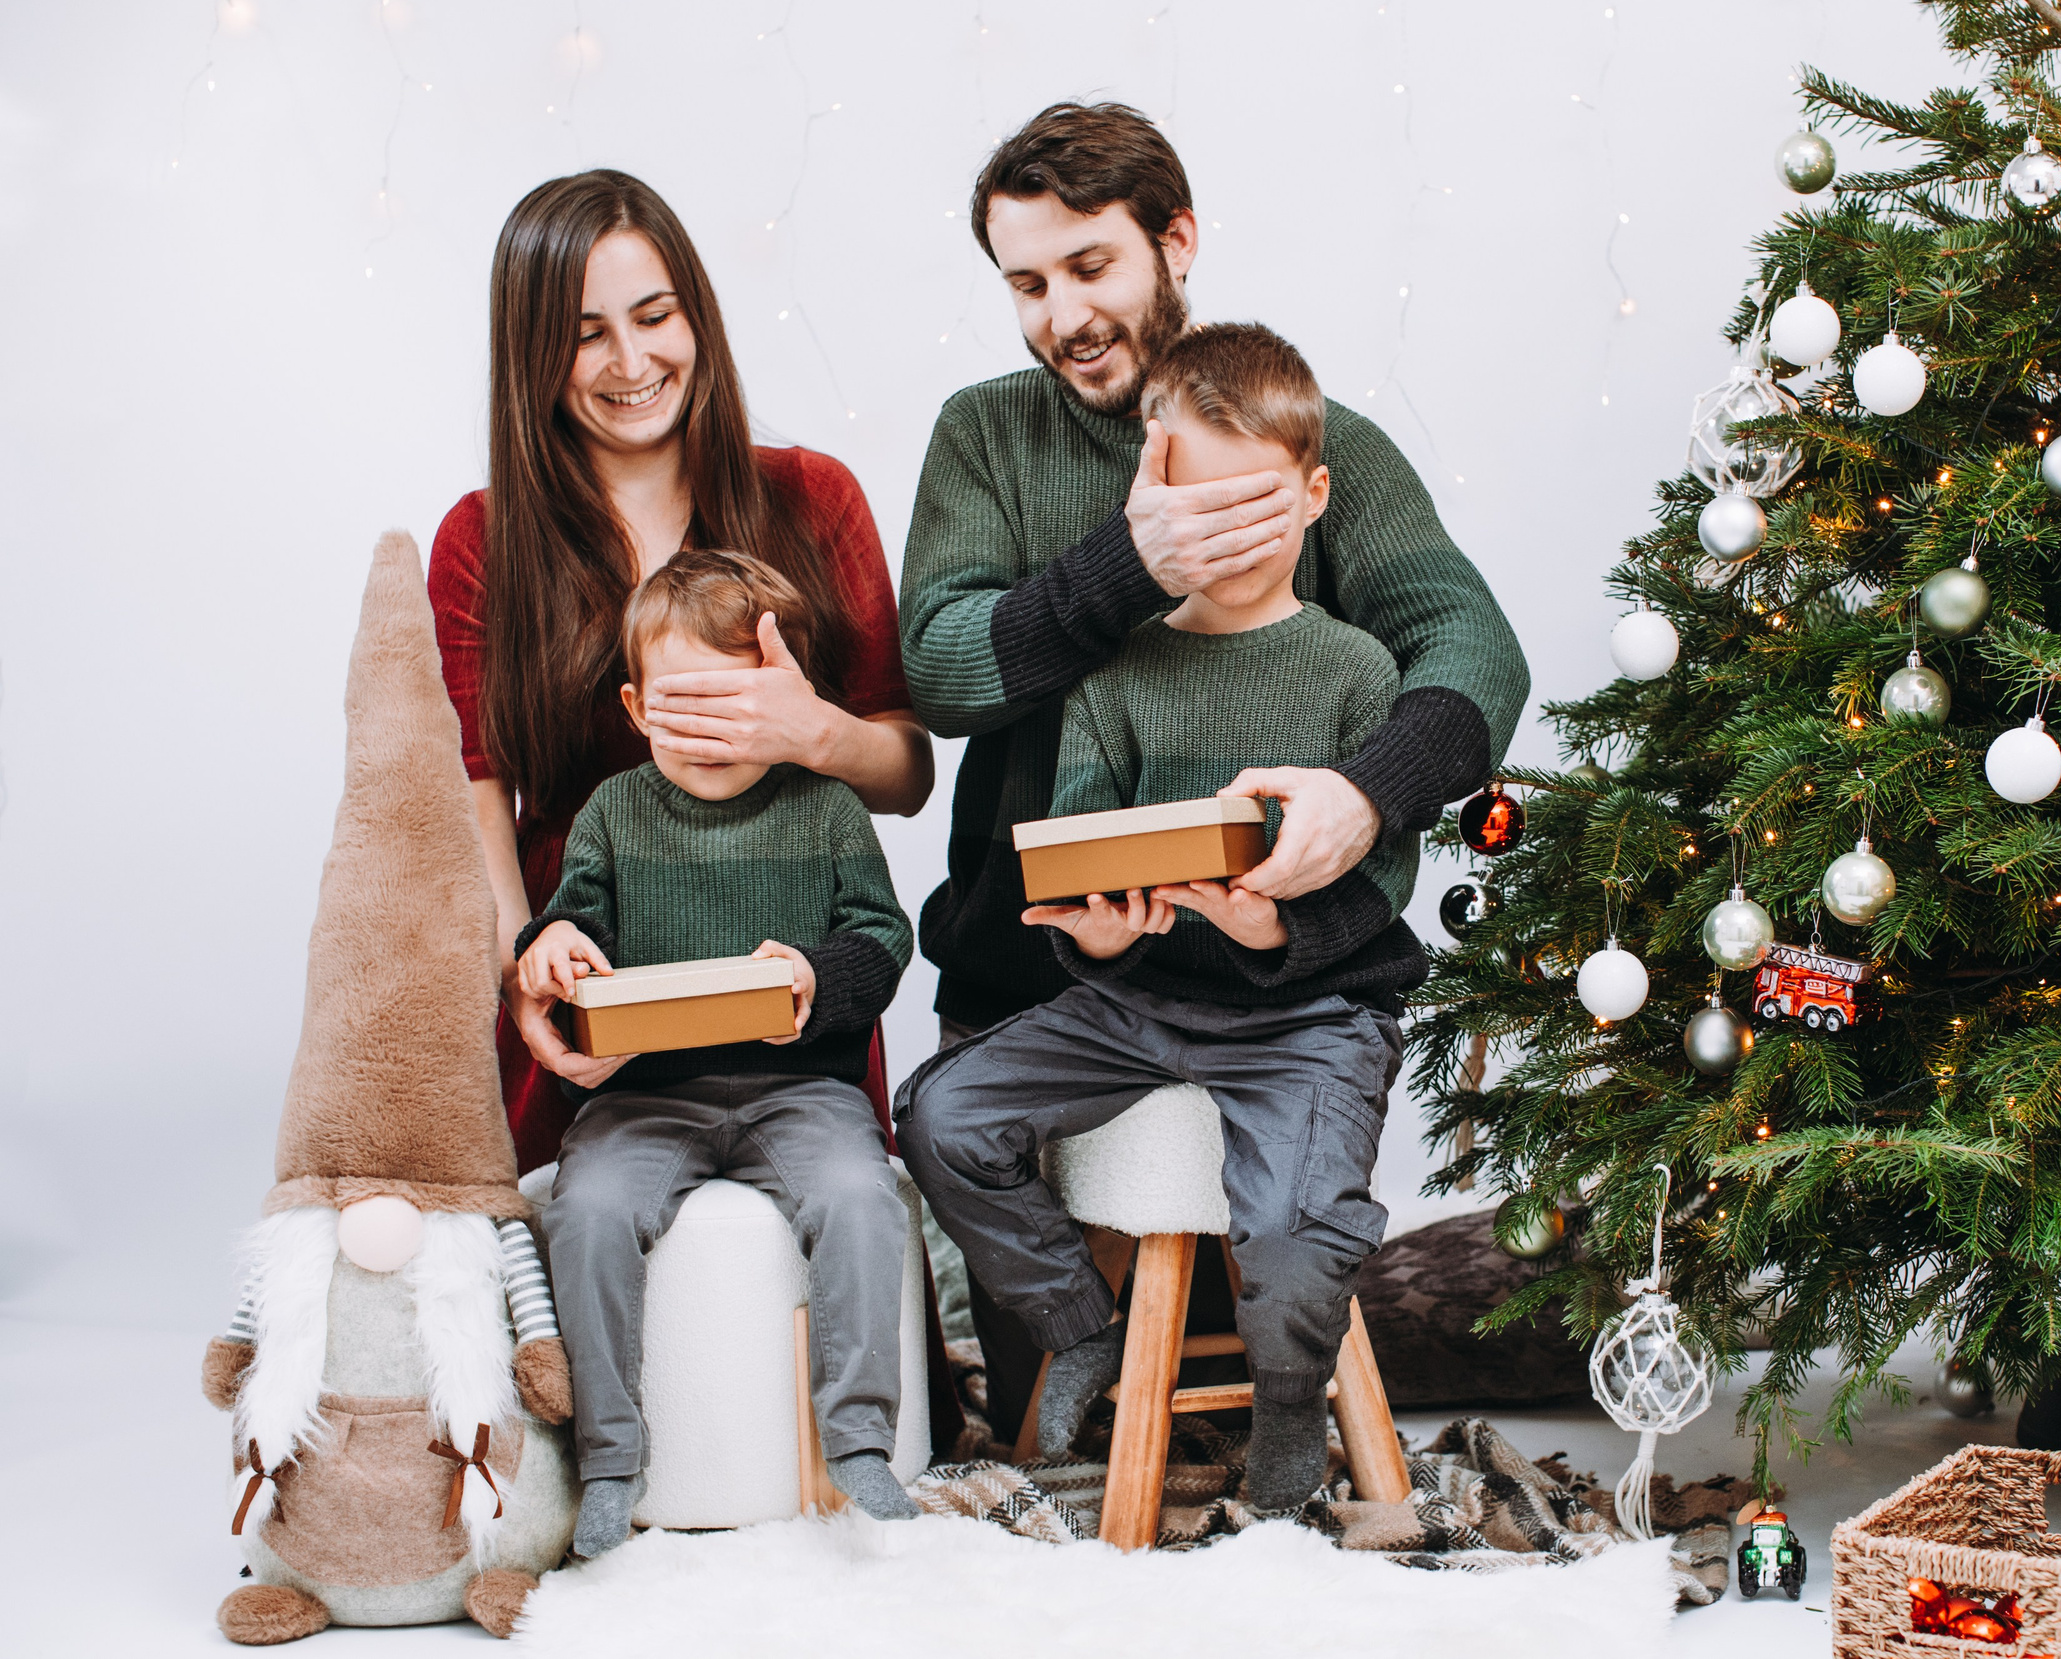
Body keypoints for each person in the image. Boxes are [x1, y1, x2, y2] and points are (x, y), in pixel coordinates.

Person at [900, 101, 1528, 1436]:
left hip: (1277, 967)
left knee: (1222, 1402)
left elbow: (1472, 643)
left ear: (1175, 241)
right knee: (1060, 1422)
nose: (1061, 316)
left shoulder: (1311, 440)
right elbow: (943, 669)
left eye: (1090, 269)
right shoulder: (986, 437)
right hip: (1038, 970)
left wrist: (1368, 792)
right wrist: (1134, 568)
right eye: (1026, 283)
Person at [900, 324, 1423, 1514]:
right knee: (942, 1115)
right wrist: (1095, 932)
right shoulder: (1114, 676)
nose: (1229, 534)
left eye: (1257, 502)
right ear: (1148, 497)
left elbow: (1378, 888)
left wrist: (1258, 927)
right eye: (1198, 501)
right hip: (1128, 1004)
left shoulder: (1356, 674)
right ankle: (1079, 1326)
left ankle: (1289, 1409)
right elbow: (1075, 864)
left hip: (1306, 1019)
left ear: (1314, 496)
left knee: (1298, 1236)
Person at [430, 168, 931, 1174]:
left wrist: (811, 733)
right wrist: (524, 965)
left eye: (654, 315)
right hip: (593, 975)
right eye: (584, 333)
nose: (631, 360)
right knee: (580, 1262)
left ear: (693, 314)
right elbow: (477, 800)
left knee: (833, 1238)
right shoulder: (483, 540)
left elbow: (907, 777)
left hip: (784, 982)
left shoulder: (812, 497)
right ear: (533, 354)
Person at [519, 550, 919, 1553]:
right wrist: (552, 949)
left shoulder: (825, 808)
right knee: (592, 1208)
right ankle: (612, 1453)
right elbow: (573, 931)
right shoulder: (611, 815)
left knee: (864, 1198)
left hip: (800, 1092)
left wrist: (818, 981)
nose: (700, 733)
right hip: (646, 1098)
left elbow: (882, 937)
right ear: (635, 705)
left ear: (781, 700)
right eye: (676, 706)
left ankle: (859, 1433)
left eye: (729, 706)